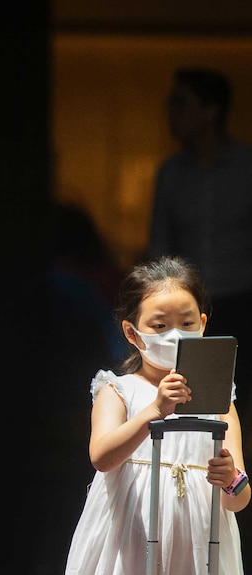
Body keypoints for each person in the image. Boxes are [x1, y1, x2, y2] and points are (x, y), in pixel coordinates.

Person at [65, 255, 250, 574]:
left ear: (203, 325)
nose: (175, 335)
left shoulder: (219, 399)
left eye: (187, 323)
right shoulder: (118, 390)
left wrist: (231, 479)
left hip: (201, 542)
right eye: (160, 325)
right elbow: (102, 457)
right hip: (131, 536)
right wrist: (154, 411)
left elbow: (238, 499)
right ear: (133, 333)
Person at [146, 67, 252, 413]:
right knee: (186, 395)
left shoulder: (246, 168)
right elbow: (158, 246)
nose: (170, 114)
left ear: (211, 111)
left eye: (181, 103)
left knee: (243, 398)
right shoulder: (171, 173)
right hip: (186, 306)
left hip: (243, 300)